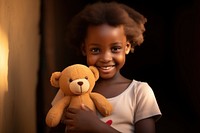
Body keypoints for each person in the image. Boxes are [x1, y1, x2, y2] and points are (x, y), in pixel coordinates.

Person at [50, 1, 162, 133]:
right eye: (96, 50)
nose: (106, 58)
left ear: (127, 47)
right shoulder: (70, 87)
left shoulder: (139, 93)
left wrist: (96, 126)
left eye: (115, 48)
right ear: (84, 49)